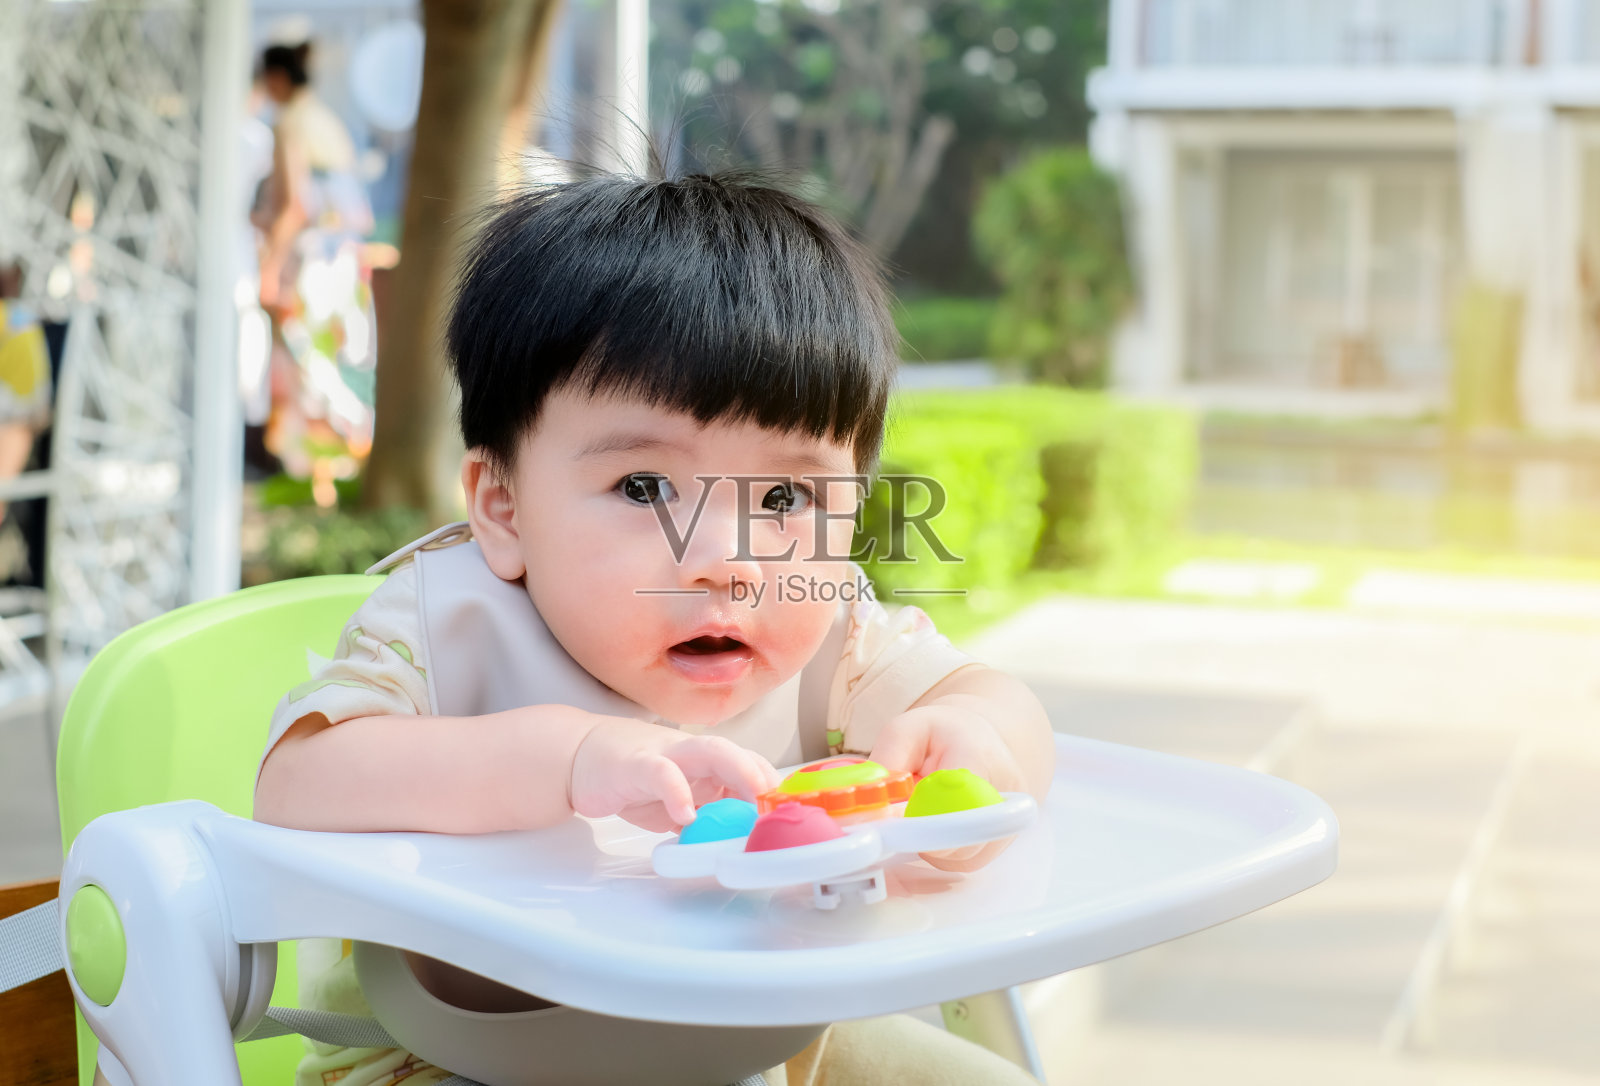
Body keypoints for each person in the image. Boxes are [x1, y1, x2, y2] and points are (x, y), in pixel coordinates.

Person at [250, 172, 1056, 1086]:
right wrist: (567, 758)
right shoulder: (446, 626)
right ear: (504, 507)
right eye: (644, 489)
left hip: (765, 1040)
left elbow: (991, 701)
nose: (726, 559)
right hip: (464, 1058)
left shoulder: (836, 639)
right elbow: (297, 783)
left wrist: (982, 745)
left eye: (785, 496)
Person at [254, 41, 377, 500]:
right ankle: (336, 471)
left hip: (311, 264)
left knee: (309, 363)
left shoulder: (291, 123)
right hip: (344, 263)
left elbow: (296, 205)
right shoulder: (326, 120)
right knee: (337, 359)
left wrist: (270, 264)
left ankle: (325, 470)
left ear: (276, 79)